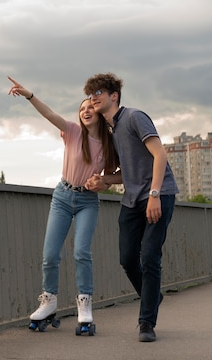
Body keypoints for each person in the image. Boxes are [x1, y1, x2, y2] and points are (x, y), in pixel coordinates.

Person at [7, 76, 119, 329]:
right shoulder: (72, 131)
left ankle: (85, 303)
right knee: (50, 255)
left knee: (81, 253)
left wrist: (103, 182)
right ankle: (49, 301)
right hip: (62, 197)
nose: (86, 111)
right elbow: (48, 113)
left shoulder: (109, 144)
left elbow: (116, 175)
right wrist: (29, 95)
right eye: (82, 109)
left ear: (99, 112)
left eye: (90, 107)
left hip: (87, 201)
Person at [83, 72, 179, 342]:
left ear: (114, 96)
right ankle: (153, 296)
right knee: (127, 259)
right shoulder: (111, 131)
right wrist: (104, 181)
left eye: (98, 93)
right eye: (91, 95)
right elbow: (128, 173)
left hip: (158, 195)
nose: (94, 98)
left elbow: (160, 155)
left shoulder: (135, 117)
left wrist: (155, 194)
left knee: (149, 256)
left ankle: (146, 322)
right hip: (132, 200)